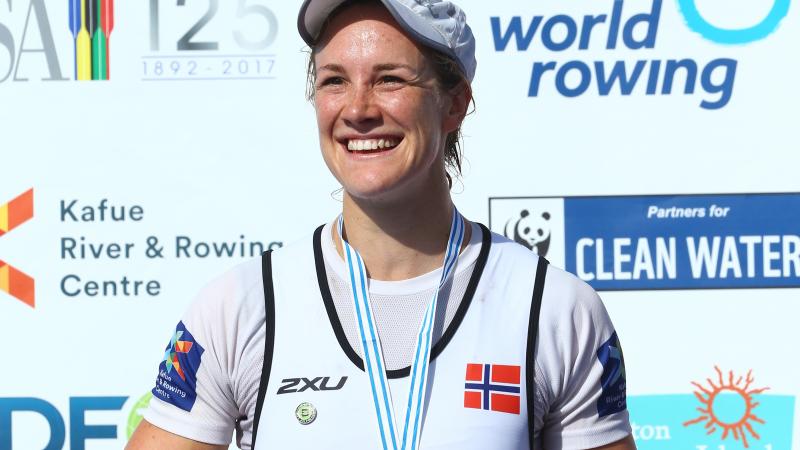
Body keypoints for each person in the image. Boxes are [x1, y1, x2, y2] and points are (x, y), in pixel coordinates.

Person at [127, 0, 637, 449]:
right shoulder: (242, 305)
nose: (358, 109)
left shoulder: (550, 306)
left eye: (390, 78)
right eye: (334, 81)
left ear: (454, 103)